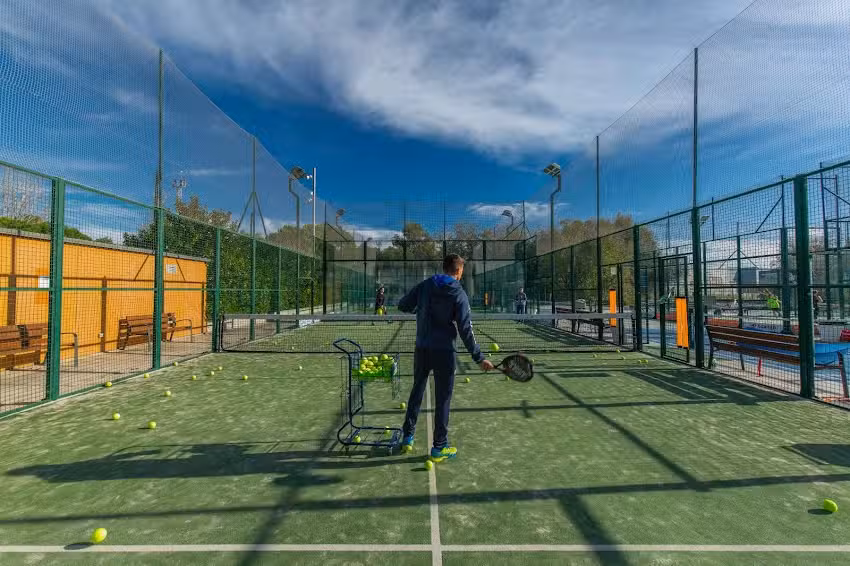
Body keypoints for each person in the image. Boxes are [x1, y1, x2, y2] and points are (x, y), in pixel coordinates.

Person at [397, 254, 494, 461]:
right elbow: (466, 329)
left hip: (422, 349)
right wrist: (479, 358)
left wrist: (421, 309)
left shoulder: (425, 285)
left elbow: (403, 305)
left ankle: (407, 437)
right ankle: (439, 447)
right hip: (445, 353)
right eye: (462, 272)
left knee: (417, 390)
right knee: (443, 399)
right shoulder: (459, 292)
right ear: (458, 271)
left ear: (443, 268)